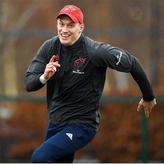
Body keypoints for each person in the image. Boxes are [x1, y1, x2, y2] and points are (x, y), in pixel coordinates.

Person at [25, 4, 157, 163]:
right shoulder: (49, 47)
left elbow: (132, 62)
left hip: (81, 125)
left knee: (40, 158)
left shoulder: (94, 51)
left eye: (71, 25)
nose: (64, 29)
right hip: (55, 123)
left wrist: (148, 96)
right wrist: (44, 77)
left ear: (81, 27)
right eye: (61, 24)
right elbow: (29, 84)